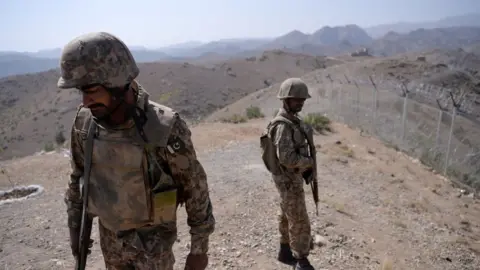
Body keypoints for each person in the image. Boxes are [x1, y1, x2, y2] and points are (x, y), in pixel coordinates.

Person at [58, 31, 215, 270]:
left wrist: (199, 250)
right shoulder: (85, 124)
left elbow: (196, 188)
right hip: (111, 243)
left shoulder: (164, 128)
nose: (86, 102)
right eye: (81, 92)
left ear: (117, 82)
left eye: (91, 91)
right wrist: (74, 227)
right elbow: (78, 178)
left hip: (154, 247)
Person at [264, 78, 316, 270]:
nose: (300, 103)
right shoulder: (283, 125)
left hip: (290, 179)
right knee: (299, 218)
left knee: (288, 213)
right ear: (285, 100)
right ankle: (301, 260)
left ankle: (285, 251)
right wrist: (308, 162)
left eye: (302, 100)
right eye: (296, 100)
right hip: (287, 180)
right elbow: (287, 158)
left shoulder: (293, 121)